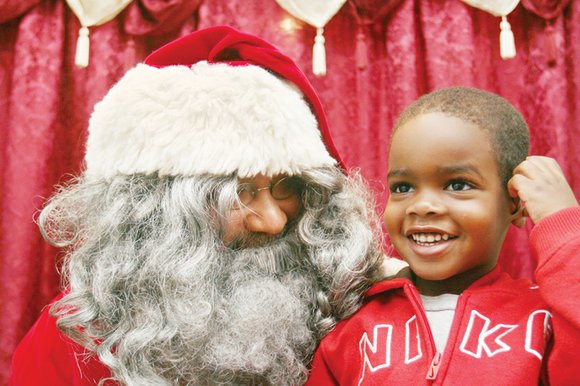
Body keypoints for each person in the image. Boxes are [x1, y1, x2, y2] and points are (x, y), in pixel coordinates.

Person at [9, 26, 388, 386]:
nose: (273, 222)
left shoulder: (349, 308)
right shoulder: (75, 336)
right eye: (240, 194)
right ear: (154, 213)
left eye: (286, 187)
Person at [306, 87, 580, 385]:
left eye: (458, 185)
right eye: (403, 187)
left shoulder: (546, 319)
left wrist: (563, 227)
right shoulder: (352, 328)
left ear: (514, 204)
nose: (422, 205)